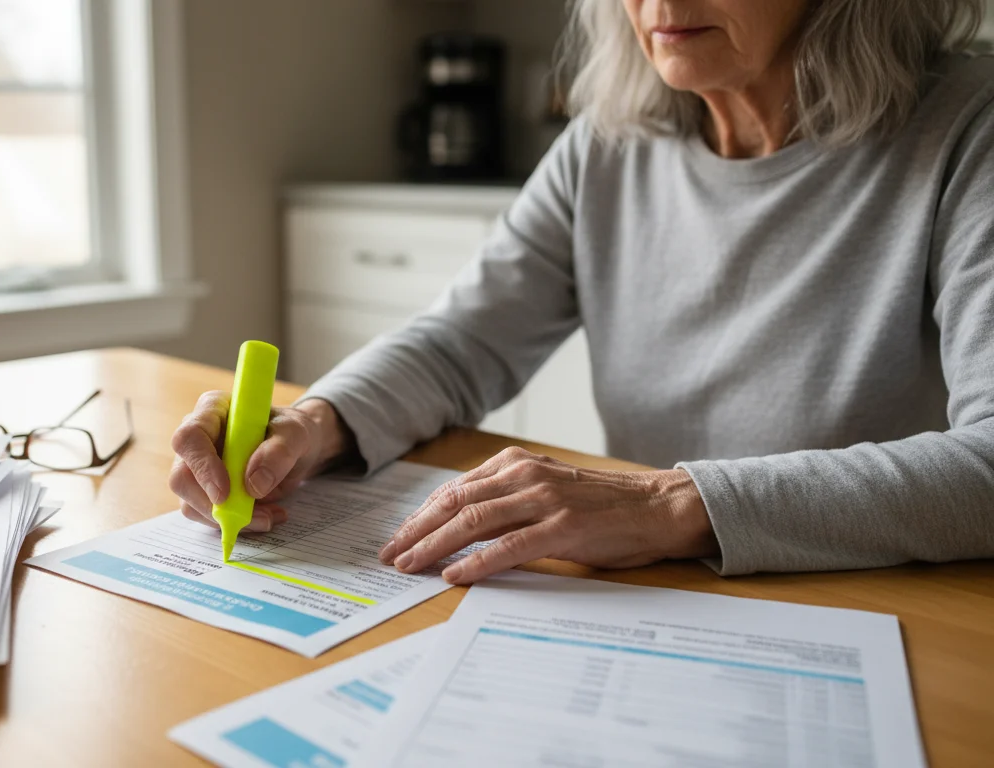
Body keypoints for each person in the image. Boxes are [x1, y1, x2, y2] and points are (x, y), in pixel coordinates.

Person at [169, 0, 994, 583]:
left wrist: (672, 504)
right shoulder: (606, 143)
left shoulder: (969, 130)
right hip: (659, 590)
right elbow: (462, 343)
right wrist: (315, 424)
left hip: (880, 600)